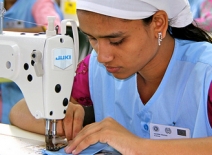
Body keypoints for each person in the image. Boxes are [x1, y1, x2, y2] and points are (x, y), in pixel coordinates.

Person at [9, 0, 212, 154]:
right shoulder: (94, 69)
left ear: (158, 23)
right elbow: (19, 112)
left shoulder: (205, 73)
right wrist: (60, 117)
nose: (103, 56)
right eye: (92, 39)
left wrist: (138, 146)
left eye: (116, 41)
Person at [0, 0, 63, 124]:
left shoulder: (39, 3)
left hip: (31, 89)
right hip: (5, 88)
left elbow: (54, 29)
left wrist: (8, 35)